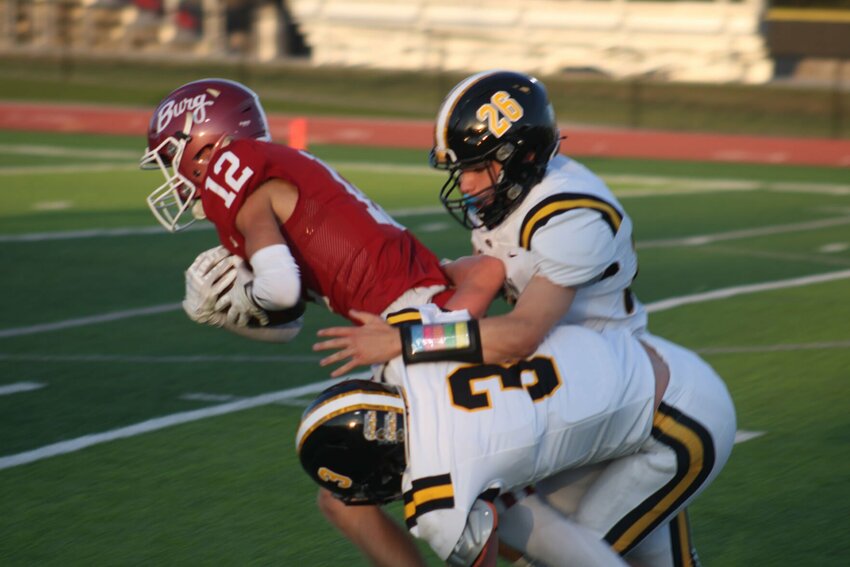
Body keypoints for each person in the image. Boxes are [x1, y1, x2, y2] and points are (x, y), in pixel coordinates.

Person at [139, 78, 506, 567]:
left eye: (172, 157)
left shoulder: (237, 171)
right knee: (343, 499)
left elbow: (279, 291)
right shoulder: (262, 180)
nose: (173, 177)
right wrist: (220, 315)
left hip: (407, 331)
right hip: (403, 323)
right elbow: (286, 320)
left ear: (204, 145)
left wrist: (242, 294)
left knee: (450, 516)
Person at [298, 307, 737, 566]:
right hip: (651, 359)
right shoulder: (406, 359)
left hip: (675, 425)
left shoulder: (435, 491)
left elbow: (484, 550)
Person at [314, 69, 644, 373]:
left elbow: (524, 332)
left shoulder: (569, 216)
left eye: (474, 168)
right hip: (555, 354)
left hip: (606, 364)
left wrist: (407, 340)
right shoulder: (503, 196)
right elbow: (486, 280)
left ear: (521, 157)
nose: (465, 184)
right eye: (461, 171)